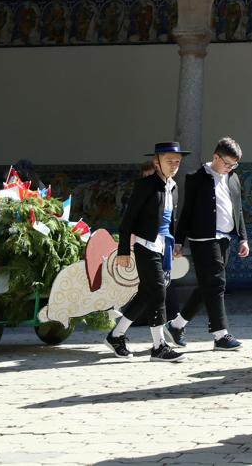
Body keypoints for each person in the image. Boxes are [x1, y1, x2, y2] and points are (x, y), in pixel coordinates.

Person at [106, 144, 186, 361]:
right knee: (158, 290)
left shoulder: (174, 187)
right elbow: (128, 220)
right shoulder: (145, 186)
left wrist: (176, 244)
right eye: (169, 161)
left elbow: (170, 220)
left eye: (177, 161)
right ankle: (159, 346)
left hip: (163, 246)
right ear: (156, 162)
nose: (174, 165)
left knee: (147, 293)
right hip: (145, 245)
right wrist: (123, 250)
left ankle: (116, 334)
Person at [169, 137, 249, 350]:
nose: (230, 168)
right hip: (202, 238)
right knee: (217, 283)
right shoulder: (196, 178)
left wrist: (243, 237)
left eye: (234, 165)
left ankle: (177, 324)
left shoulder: (233, 178)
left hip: (225, 238)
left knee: (208, 285)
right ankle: (220, 334)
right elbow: (186, 212)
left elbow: (238, 210)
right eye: (227, 164)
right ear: (216, 156)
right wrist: (178, 241)